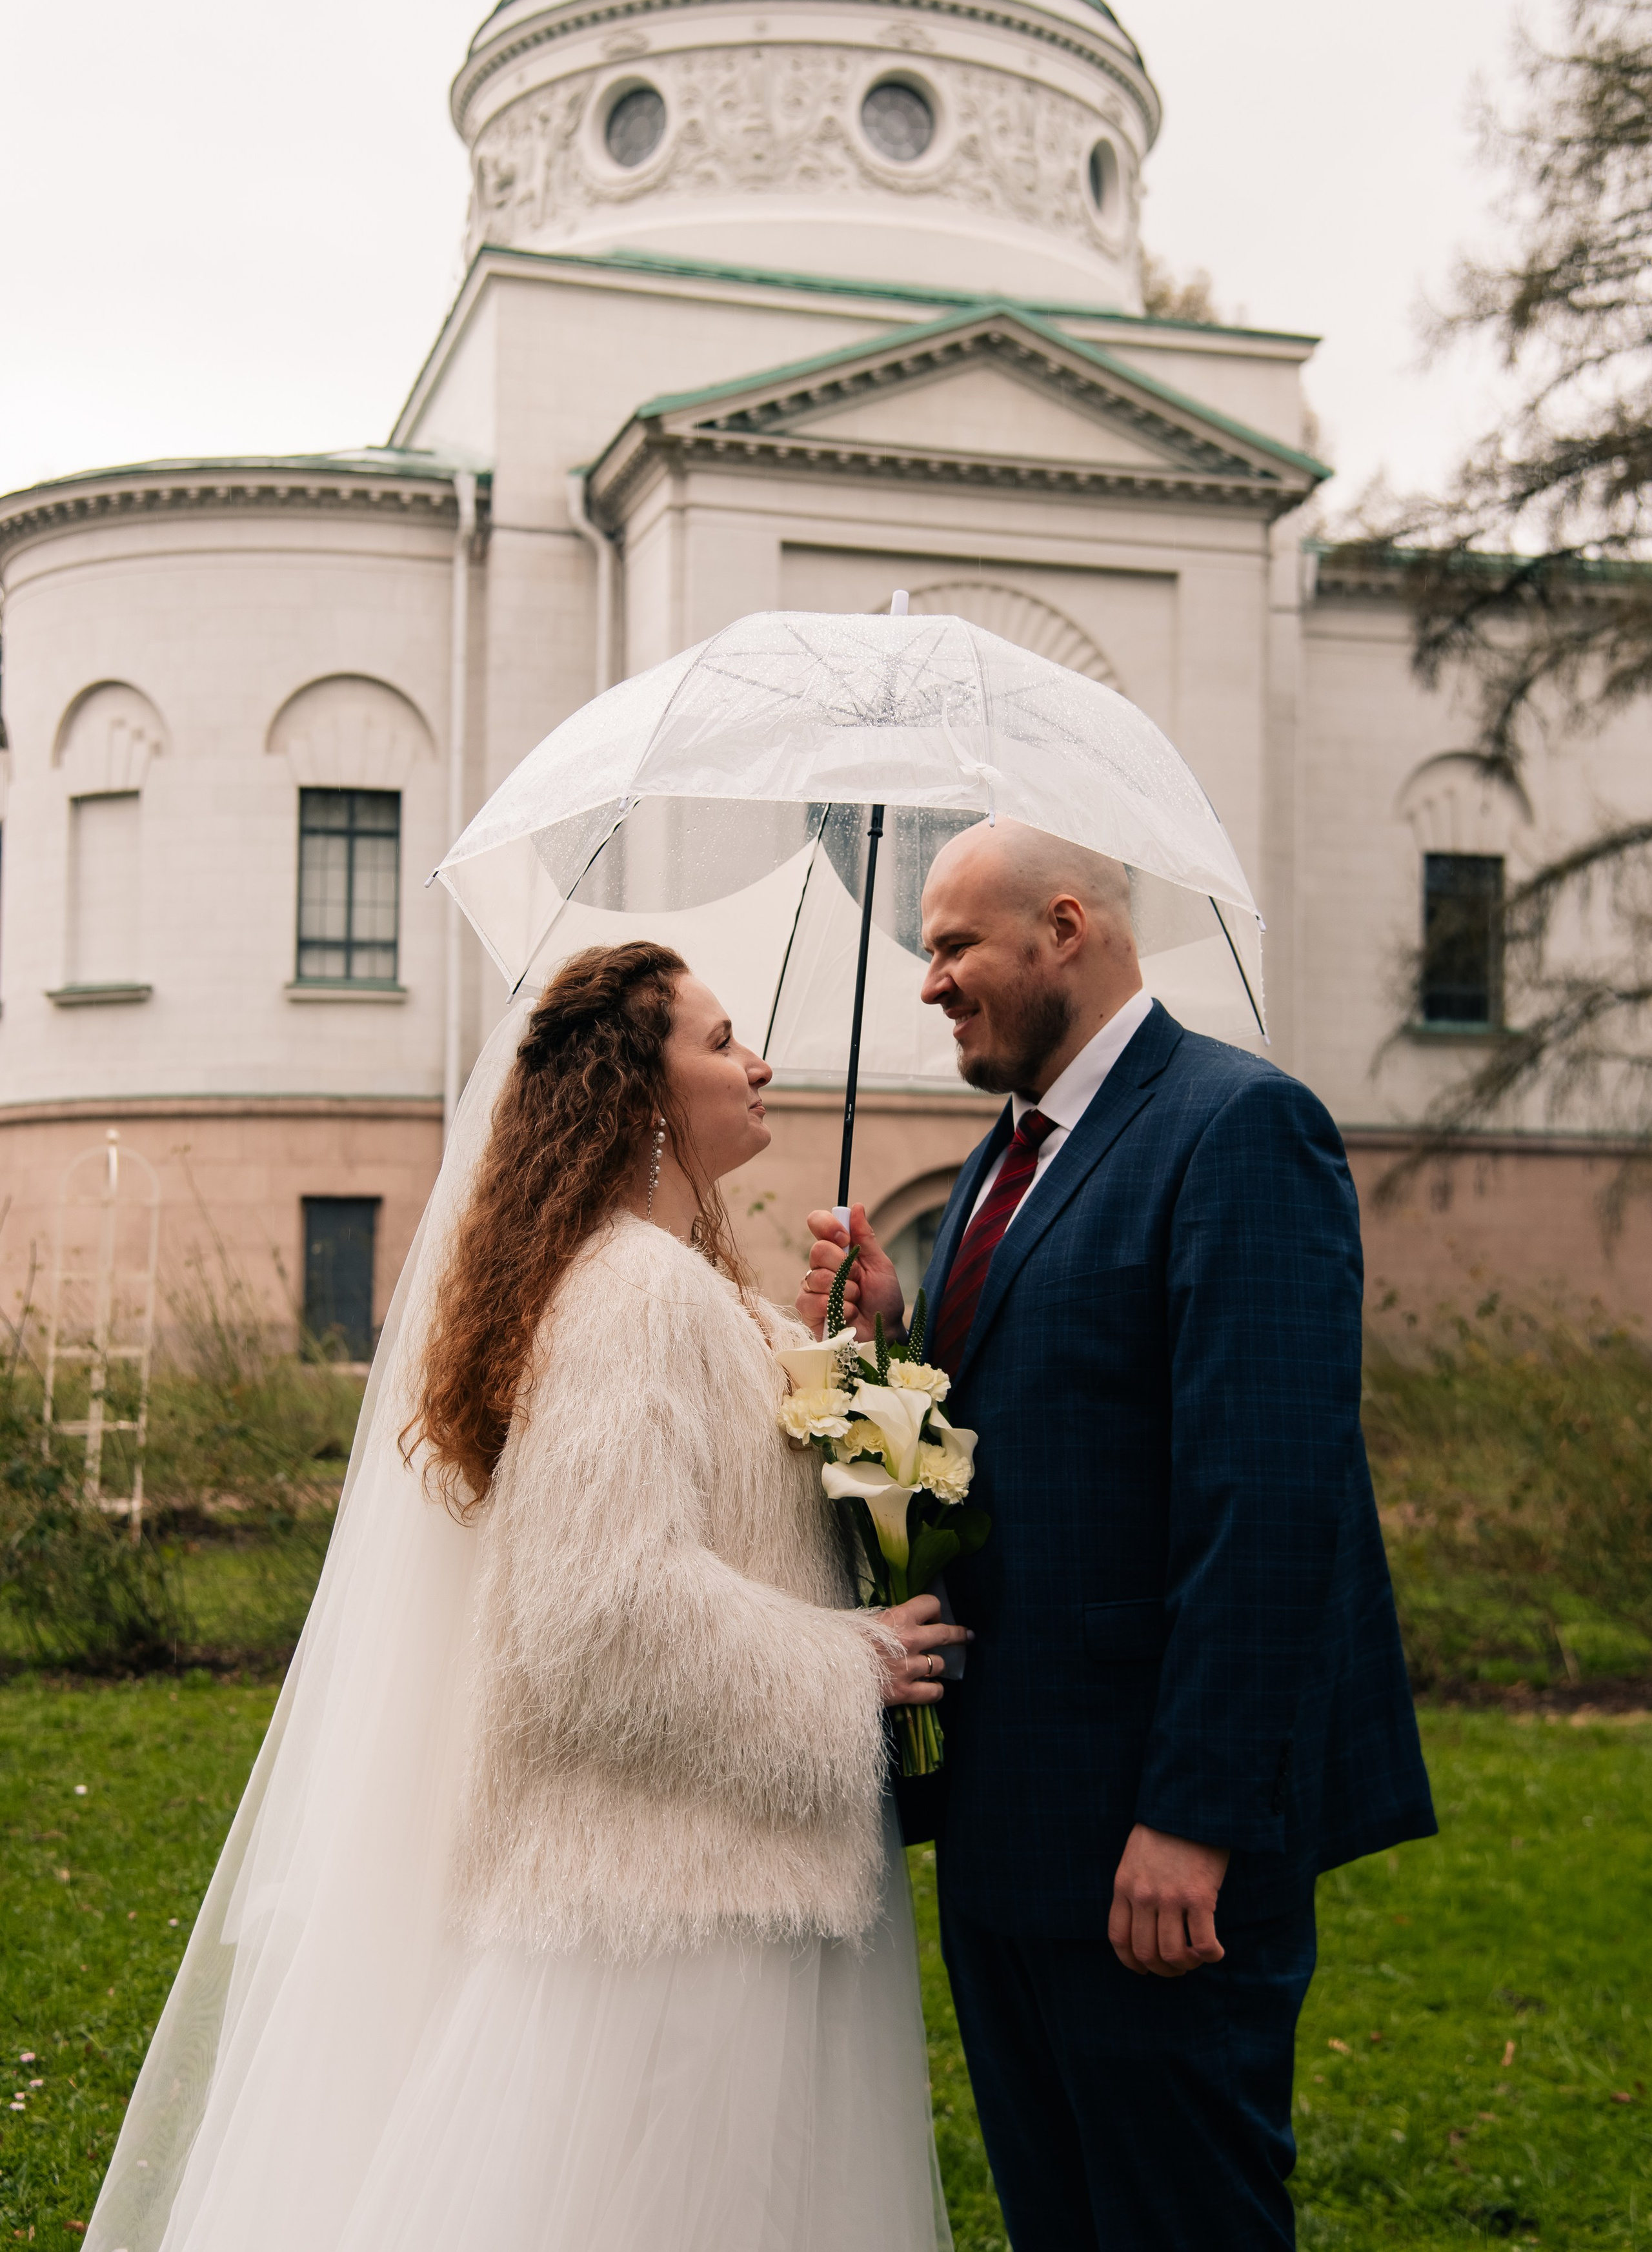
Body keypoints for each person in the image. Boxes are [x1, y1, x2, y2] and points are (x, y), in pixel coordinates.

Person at [88, 942, 960, 2252]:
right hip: (657, 1910)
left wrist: (865, 1343)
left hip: (708, 1870)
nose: (760, 1063)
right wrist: (848, 1665)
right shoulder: (631, 1292)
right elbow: (598, 1613)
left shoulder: (697, 1292)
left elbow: (809, 1496)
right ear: (641, 1090)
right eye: (722, 1041)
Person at [799, 822, 1435, 2252]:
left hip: (1155, 1849)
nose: (929, 983)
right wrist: (883, 1351)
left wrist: (1193, 1819)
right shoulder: (999, 1161)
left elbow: (1267, 1502)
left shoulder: (1237, 1128)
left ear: (1064, 928)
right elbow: (991, 1465)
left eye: (953, 946)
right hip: (1012, 1834)